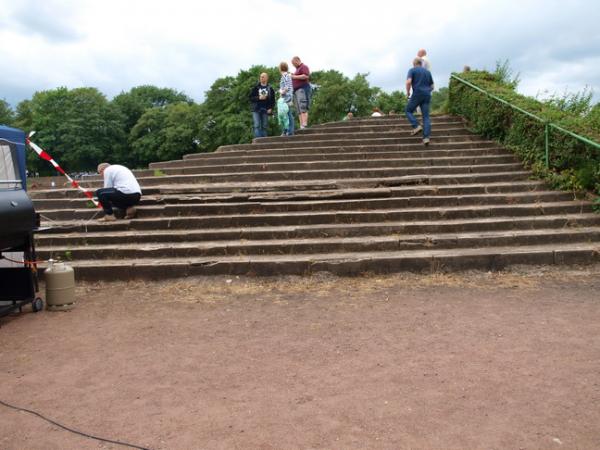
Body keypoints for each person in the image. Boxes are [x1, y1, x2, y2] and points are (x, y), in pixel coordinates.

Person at [405, 57, 434, 145]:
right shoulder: (428, 72)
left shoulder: (412, 70)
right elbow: (432, 86)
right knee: (426, 117)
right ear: (421, 64)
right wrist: (427, 91)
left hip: (417, 93)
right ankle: (426, 138)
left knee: (408, 110)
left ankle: (416, 126)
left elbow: (408, 82)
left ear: (414, 64)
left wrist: (408, 92)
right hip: (427, 94)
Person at [249, 72, 275, 138]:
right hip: (256, 109)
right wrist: (258, 98)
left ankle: (264, 141)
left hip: (265, 109)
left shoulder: (270, 89)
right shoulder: (256, 87)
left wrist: (270, 108)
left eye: (263, 77)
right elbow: (250, 98)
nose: (261, 78)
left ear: (267, 78)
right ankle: (258, 141)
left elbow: (273, 100)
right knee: (257, 125)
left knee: (264, 126)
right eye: (260, 77)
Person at [291, 56, 311, 129]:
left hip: (302, 89)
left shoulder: (304, 67)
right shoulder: (297, 70)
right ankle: (301, 125)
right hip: (296, 91)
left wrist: (294, 77)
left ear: (297, 60)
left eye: (293, 63)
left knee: (302, 106)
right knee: (298, 109)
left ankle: (304, 124)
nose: (293, 65)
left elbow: (306, 76)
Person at [278, 62, 295, 135]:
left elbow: (287, 87)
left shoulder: (285, 76)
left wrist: (282, 92)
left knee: (287, 114)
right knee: (285, 114)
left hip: (286, 98)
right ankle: (286, 130)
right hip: (286, 97)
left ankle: (289, 131)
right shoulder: (286, 75)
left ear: (280, 68)